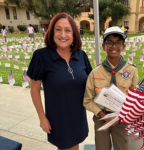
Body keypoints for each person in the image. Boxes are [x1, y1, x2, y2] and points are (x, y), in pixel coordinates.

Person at [27, 13, 92, 150]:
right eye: (58, 29)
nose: (63, 34)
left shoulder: (81, 55)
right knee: (65, 146)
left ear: (74, 34)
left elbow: (92, 83)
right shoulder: (41, 56)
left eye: (68, 30)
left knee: (74, 145)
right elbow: (34, 89)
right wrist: (42, 117)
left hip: (78, 115)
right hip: (58, 117)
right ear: (51, 32)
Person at [83, 26, 138, 150]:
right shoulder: (95, 73)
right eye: (109, 42)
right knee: (102, 147)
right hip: (101, 118)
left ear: (123, 46)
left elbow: (135, 98)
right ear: (103, 46)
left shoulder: (131, 70)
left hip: (122, 120)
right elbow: (87, 100)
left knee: (122, 147)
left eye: (118, 42)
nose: (114, 46)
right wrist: (104, 116)